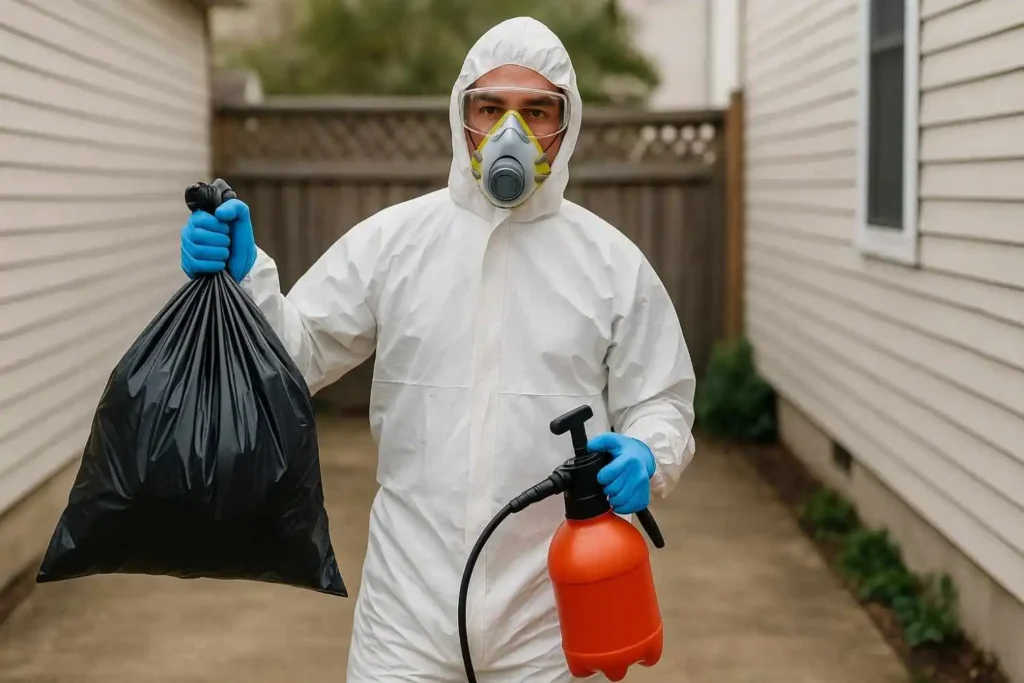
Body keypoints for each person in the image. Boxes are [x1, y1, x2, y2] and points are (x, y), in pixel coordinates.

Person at [180, 16, 696, 683]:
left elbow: (661, 398)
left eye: (536, 110)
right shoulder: (396, 243)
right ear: (463, 116)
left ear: (565, 129)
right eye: (492, 108)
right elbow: (296, 357)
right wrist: (244, 276)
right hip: (405, 618)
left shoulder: (611, 265)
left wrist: (648, 450)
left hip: (550, 620)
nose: (511, 132)